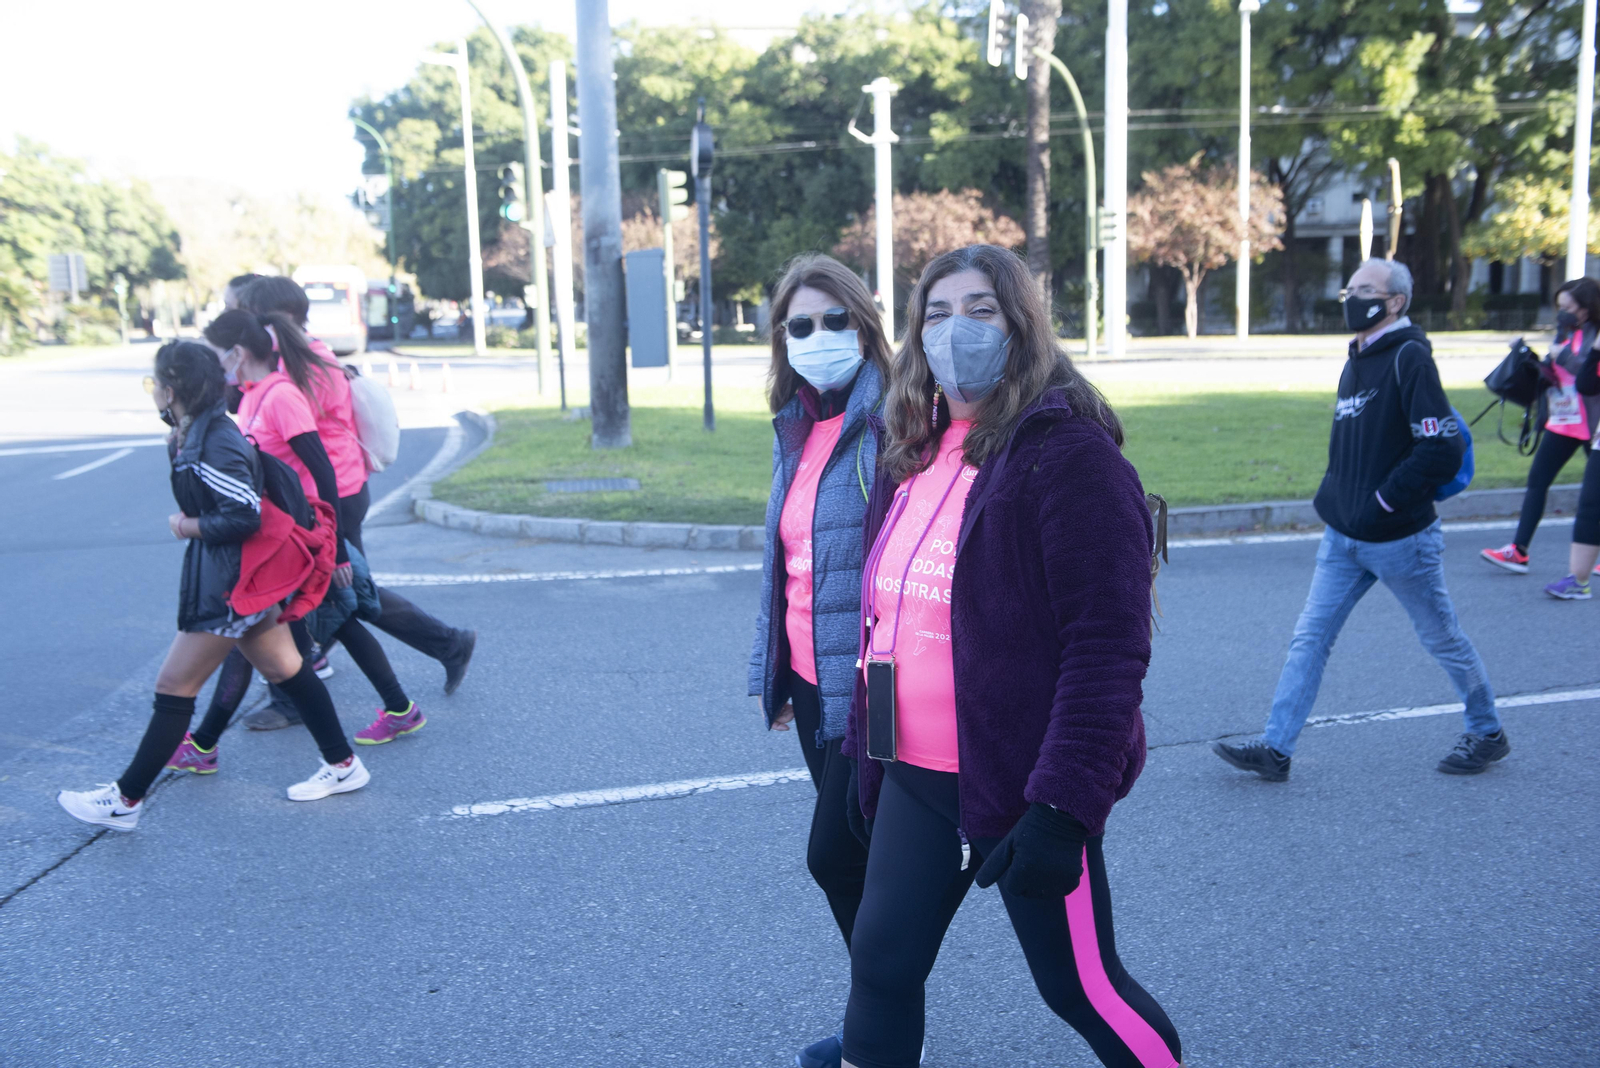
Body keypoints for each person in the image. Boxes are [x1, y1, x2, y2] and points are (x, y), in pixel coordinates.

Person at [838, 245, 1183, 1068]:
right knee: (881, 970)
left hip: (1022, 786)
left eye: (982, 311)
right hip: (915, 775)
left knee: (1083, 991)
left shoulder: (1070, 457)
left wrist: (1062, 812)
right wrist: (867, 757)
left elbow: (1107, 651)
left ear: (1022, 327)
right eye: (938, 313)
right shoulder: (911, 450)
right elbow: (882, 622)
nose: (957, 331)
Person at [1213, 258, 1506, 781]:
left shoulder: (1410, 357)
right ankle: (1275, 750)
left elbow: (1439, 447)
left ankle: (1487, 731)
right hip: (1343, 535)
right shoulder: (1357, 356)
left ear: (1395, 302)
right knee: (1310, 638)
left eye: (1365, 290)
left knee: (1440, 636)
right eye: (1350, 288)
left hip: (1400, 538)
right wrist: (1340, 497)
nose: (1352, 297)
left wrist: (1385, 501)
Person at [57, 341, 368, 830]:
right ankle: (344, 765)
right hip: (233, 576)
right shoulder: (195, 432)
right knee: (287, 667)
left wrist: (187, 526)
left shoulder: (215, 438)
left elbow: (242, 514)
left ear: (171, 388)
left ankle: (126, 800)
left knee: (174, 685)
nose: (151, 391)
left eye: (152, 382)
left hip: (231, 582)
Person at [746, 254, 891, 1068]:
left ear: (867, 324)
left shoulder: (897, 421)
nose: (820, 337)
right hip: (810, 682)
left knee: (833, 857)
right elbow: (787, 564)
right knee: (861, 868)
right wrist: (775, 676)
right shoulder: (795, 424)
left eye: (837, 320)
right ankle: (884, 1011)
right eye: (801, 324)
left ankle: (878, 1022)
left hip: (873, 692)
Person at [179, 309, 426, 757]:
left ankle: (204, 745)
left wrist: (337, 553)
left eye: (216, 355)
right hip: (283, 540)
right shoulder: (253, 396)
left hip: (307, 536)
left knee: (258, 637)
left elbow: (322, 471)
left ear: (237, 353)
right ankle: (397, 709)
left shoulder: (280, 397)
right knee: (334, 625)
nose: (214, 366)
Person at [239, 276, 475, 730]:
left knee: (342, 595)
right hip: (327, 493)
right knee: (344, 597)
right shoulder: (303, 359)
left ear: (277, 317)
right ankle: (443, 647)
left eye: (255, 317)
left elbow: (297, 436)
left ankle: (433, 656)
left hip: (331, 496)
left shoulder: (301, 366)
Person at [1481, 277, 1600, 598]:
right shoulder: (1564, 333)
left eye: (1567, 308)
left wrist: (1561, 356)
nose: (1561, 313)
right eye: (1559, 307)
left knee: (1595, 497)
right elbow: (1553, 369)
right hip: (1561, 421)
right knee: (1537, 482)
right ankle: (1519, 550)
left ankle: (1588, 560)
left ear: (1587, 308)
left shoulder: (1594, 335)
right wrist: (1527, 358)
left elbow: (1589, 373)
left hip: (1591, 423)